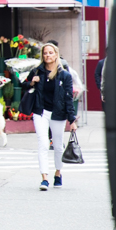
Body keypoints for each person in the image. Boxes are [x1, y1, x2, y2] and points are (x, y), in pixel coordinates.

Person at [21, 42, 77, 191]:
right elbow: (24, 85)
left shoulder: (64, 75)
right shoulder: (37, 72)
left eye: (50, 53)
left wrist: (72, 120)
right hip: (41, 112)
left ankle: (58, 173)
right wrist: (32, 82)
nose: (48, 55)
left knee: (58, 146)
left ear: (56, 54)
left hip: (58, 113)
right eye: (45, 53)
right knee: (43, 144)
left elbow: (68, 98)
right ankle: (44, 178)